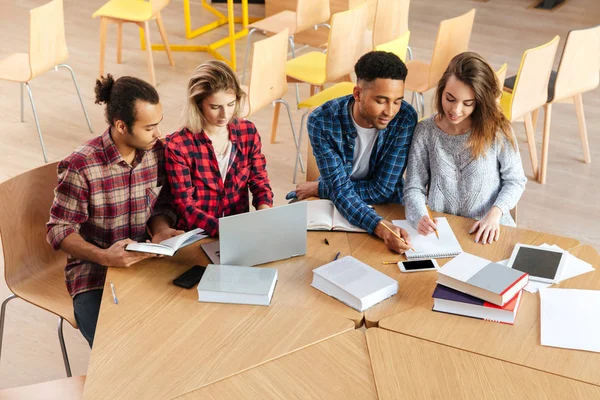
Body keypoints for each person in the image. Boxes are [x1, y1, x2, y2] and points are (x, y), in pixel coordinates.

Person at [47, 74, 181, 347]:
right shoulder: (81, 166)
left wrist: (161, 230)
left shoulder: (156, 153)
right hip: (94, 273)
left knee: (179, 336)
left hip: (146, 263)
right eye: (149, 127)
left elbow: (160, 204)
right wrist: (105, 257)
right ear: (121, 126)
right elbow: (59, 230)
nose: (158, 134)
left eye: (158, 124)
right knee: (116, 351)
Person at [294, 51, 418, 253]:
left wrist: (322, 189)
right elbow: (341, 190)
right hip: (338, 211)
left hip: (388, 206)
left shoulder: (405, 117)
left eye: (397, 101)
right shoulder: (322, 121)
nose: (390, 111)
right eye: (381, 101)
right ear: (358, 94)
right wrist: (381, 229)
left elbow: (383, 189)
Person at [403, 51, 527, 244]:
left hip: (489, 230)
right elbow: (413, 186)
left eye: (467, 103)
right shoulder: (425, 131)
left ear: (480, 102)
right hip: (443, 232)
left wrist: (495, 214)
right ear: (441, 90)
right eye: (450, 99)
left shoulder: (497, 130)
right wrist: (420, 216)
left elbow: (516, 180)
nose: (456, 110)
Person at [165, 60, 273, 236]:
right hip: (197, 237)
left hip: (239, 234)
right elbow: (184, 205)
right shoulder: (179, 146)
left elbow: (260, 182)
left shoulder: (248, 132)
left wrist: (264, 210)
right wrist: (225, 231)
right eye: (215, 107)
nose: (225, 115)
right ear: (198, 104)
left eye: (230, 104)